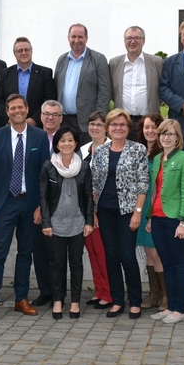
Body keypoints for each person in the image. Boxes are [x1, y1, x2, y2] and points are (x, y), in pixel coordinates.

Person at [0, 94, 48, 323]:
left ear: (27, 109)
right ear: (6, 112)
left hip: (30, 204)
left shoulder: (39, 136)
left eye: (21, 107)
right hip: (4, 203)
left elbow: (44, 176)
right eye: (13, 108)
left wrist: (41, 206)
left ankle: (21, 299)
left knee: (25, 254)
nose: (17, 111)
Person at [92, 108, 150, 319]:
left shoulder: (138, 149)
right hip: (105, 210)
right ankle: (117, 301)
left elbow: (143, 183)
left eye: (122, 125)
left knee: (127, 256)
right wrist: (94, 212)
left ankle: (135, 301)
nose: (118, 128)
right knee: (111, 256)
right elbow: (95, 183)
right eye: (114, 124)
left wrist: (137, 212)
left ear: (128, 128)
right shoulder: (100, 151)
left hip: (127, 211)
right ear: (108, 128)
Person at [39, 127, 94, 319]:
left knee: (76, 264)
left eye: (70, 140)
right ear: (57, 145)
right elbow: (44, 197)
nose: (66, 144)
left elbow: (88, 196)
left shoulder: (84, 167)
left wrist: (89, 221)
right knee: (56, 264)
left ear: (76, 143)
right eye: (62, 141)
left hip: (78, 223)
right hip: (54, 223)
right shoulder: (49, 166)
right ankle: (57, 300)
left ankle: (76, 301)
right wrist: (46, 222)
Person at [146, 119, 184, 325]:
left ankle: (181, 308)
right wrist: (149, 217)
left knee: (179, 264)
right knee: (166, 264)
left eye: (171, 134)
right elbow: (154, 190)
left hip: (176, 219)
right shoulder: (157, 158)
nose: (166, 137)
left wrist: (183, 221)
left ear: (178, 138)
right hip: (157, 219)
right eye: (163, 133)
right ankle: (171, 306)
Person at [30, 100, 66, 307]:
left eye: (55, 114)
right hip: (38, 205)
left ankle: (59, 293)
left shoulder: (68, 139)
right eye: (47, 114)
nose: (50, 117)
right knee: (40, 251)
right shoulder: (33, 138)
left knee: (59, 253)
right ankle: (45, 291)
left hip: (62, 205)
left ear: (61, 118)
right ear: (41, 116)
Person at [55, 23, 111, 143]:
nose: (76, 40)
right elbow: (56, 88)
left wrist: (98, 119)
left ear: (86, 38)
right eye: (73, 36)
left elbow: (105, 91)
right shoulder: (61, 60)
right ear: (68, 38)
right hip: (64, 121)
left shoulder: (98, 59)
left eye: (80, 37)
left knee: (87, 157)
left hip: (88, 122)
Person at [79, 111, 113, 309]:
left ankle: (109, 293)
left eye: (99, 124)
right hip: (84, 209)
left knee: (102, 253)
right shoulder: (83, 149)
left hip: (102, 210)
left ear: (106, 128)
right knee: (91, 252)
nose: (95, 127)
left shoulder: (112, 148)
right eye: (92, 123)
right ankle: (99, 290)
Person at [135, 113, 165, 309]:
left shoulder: (165, 154)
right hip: (140, 206)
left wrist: (152, 215)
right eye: (146, 127)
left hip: (154, 209)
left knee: (157, 253)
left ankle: (165, 295)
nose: (150, 131)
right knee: (148, 252)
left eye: (154, 127)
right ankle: (153, 294)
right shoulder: (138, 152)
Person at [109, 26, 163, 132]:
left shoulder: (156, 62)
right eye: (129, 38)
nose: (132, 41)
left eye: (137, 38)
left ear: (143, 41)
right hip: (123, 122)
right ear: (124, 41)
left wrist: (154, 102)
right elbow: (111, 91)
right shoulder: (114, 63)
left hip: (149, 122)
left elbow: (162, 88)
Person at [0, 37, 57, 127]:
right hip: (11, 125)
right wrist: (9, 119)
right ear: (14, 53)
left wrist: (34, 119)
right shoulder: (5, 74)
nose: (24, 53)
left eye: (26, 50)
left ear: (31, 51)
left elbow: (49, 99)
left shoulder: (45, 73)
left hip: (37, 126)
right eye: (20, 50)